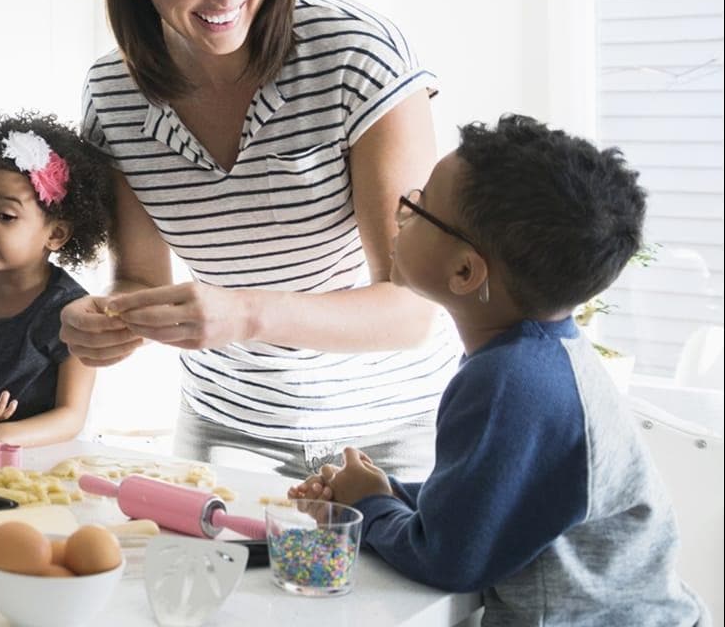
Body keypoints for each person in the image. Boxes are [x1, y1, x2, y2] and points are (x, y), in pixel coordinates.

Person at [62, 0, 458, 479]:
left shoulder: (355, 57)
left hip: (392, 429)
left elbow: (412, 306)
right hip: (225, 429)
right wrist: (108, 320)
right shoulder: (113, 94)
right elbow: (139, 277)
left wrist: (245, 312)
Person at [288, 115, 705, 626]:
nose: (399, 212)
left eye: (417, 206)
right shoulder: (540, 358)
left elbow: (449, 558)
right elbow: (500, 503)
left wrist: (371, 508)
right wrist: (388, 492)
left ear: (465, 271)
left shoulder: (510, 382)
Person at [0, 113, 111, 446]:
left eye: (5, 215)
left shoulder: (75, 313)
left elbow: (70, 418)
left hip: (46, 469)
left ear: (56, 234)